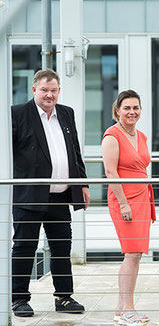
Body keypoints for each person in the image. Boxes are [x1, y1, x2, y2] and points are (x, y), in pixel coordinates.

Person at [11, 69, 90, 317]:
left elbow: (74, 151)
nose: (49, 95)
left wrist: (83, 184)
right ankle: (19, 298)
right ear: (34, 90)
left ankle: (64, 298)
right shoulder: (17, 114)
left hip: (60, 195)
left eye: (54, 90)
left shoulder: (66, 113)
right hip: (29, 195)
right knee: (25, 247)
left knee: (61, 247)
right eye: (44, 90)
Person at [102, 90, 156, 324]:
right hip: (124, 199)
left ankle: (120, 308)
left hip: (142, 197)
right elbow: (110, 172)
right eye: (127, 108)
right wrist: (124, 204)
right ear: (117, 111)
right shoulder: (112, 136)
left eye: (136, 107)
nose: (132, 112)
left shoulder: (141, 135)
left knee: (135, 255)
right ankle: (128, 310)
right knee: (132, 254)